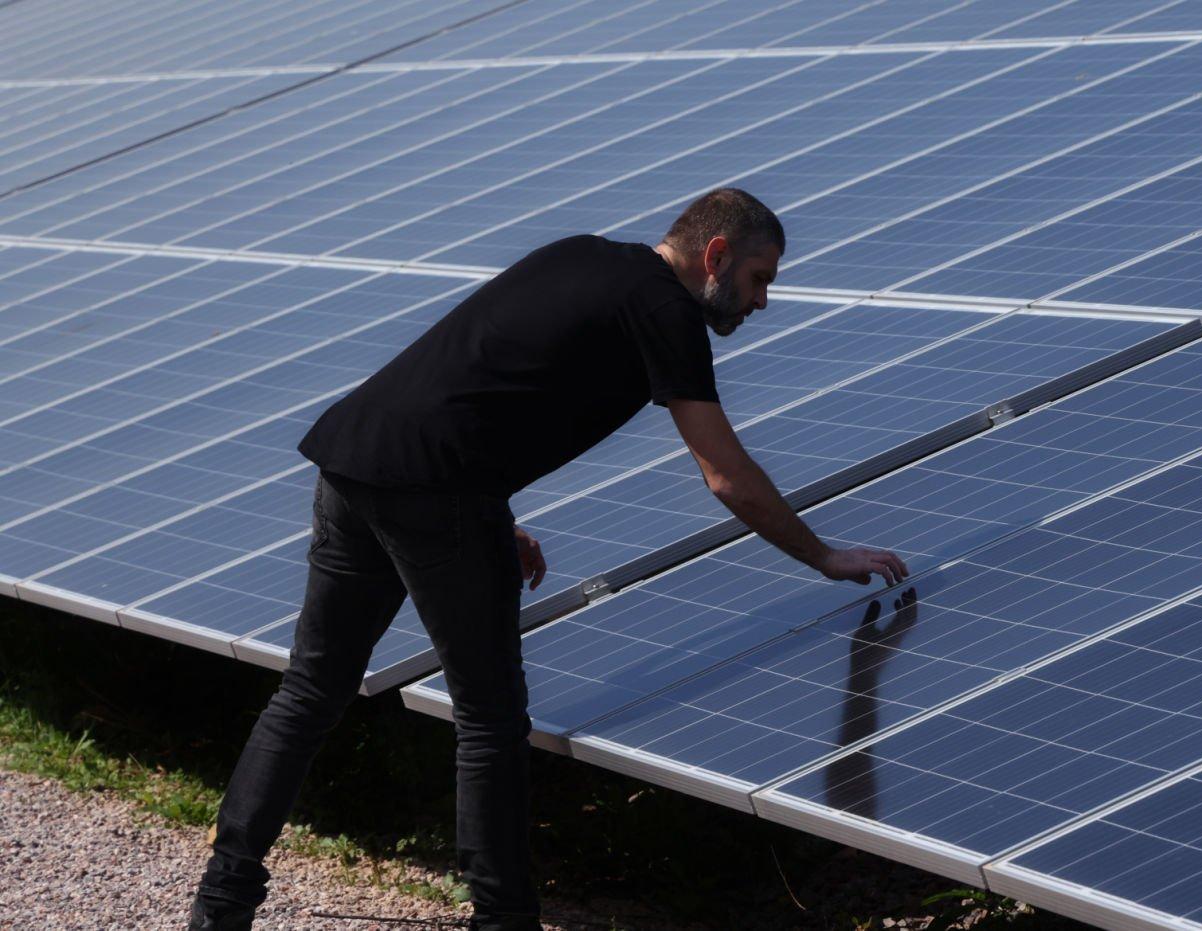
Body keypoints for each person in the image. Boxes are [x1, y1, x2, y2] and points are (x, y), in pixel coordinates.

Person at [187, 188, 908, 931]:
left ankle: (221, 903)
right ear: (715, 255)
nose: (761, 301)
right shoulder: (665, 309)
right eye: (760, 278)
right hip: (435, 489)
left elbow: (478, 385)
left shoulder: (581, 256)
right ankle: (503, 920)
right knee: (490, 718)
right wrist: (822, 554)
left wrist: (495, 516)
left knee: (310, 692)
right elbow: (724, 473)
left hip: (355, 457)